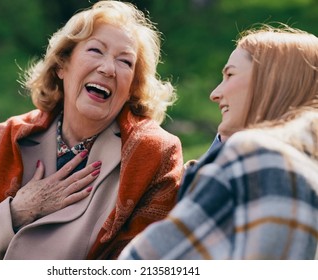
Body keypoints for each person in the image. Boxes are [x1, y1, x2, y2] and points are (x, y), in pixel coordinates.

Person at [0, 0, 183, 260]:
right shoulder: (2, 140)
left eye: (125, 62)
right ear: (62, 65)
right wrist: (16, 213)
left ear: (133, 86)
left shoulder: (153, 154)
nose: (108, 69)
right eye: (96, 50)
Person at [119, 24, 318, 259]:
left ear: (273, 82)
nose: (215, 93)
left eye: (230, 74)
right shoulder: (306, 172)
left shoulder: (256, 156)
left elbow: (143, 263)